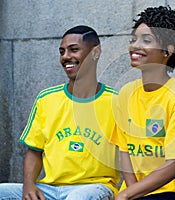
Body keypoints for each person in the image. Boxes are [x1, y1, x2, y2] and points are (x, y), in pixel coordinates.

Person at [0, 25, 120, 200]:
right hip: (49, 189)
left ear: (95, 52)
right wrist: (28, 186)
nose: (66, 57)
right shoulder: (46, 99)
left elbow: (129, 153)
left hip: (95, 187)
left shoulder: (116, 102)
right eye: (62, 51)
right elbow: (34, 151)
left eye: (74, 50)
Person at [110, 6, 175, 200]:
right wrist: (131, 193)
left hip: (174, 193)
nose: (135, 46)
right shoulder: (126, 93)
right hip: (134, 192)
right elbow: (124, 152)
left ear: (167, 51)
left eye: (146, 40)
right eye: (134, 39)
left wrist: (128, 195)